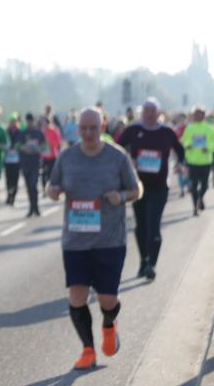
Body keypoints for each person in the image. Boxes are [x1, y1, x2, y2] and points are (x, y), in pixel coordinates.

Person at [46, 108, 142, 370]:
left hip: (109, 239)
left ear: (103, 127)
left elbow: (136, 189)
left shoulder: (117, 157)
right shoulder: (67, 157)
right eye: (84, 128)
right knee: (77, 297)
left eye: (93, 128)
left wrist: (121, 197)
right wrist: (53, 191)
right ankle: (87, 350)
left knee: (107, 300)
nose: (88, 133)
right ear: (77, 129)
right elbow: (51, 185)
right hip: (75, 240)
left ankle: (109, 324)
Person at [116, 98, 185, 281]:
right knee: (141, 226)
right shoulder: (133, 130)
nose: (149, 114)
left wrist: (179, 163)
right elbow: (116, 149)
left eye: (153, 111)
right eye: (146, 110)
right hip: (137, 187)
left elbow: (180, 150)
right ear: (142, 113)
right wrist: (127, 163)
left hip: (159, 187)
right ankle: (142, 260)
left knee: (153, 225)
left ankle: (151, 264)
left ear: (158, 113)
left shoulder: (166, 132)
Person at [180, 106, 214, 216]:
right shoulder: (189, 128)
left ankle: (200, 198)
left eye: (200, 114)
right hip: (192, 162)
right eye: (196, 114)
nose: (197, 116)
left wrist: (207, 147)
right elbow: (184, 140)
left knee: (205, 186)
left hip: (205, 162)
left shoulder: (210, 128)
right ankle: (195, 207)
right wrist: (188, 145)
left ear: (204, 115)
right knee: (193, 186)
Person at [15, 113, 47, 217]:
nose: (30, 122)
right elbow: (17, 145)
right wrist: (25, 148)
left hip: (35, 162)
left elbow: (45, 146)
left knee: (34, 184)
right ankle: (31, 207)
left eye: (31, 120)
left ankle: (36, 207)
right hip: (25, 162)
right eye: (28, 120)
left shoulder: (38, 133)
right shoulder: (22, 133)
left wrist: (38, 149)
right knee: (28, 186)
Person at [40, 114, 63, 193]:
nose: (43, 124)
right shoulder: (41, 131)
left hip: (52, 156)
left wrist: (51, 143)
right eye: (42, 122)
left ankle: (50, 189)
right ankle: (44, 190)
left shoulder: (53, 130)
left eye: (44, 122)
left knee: (50, 174)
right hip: (43, 156)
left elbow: (58, 142)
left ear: (47, 122)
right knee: (43, 174)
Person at [4, 114, 22, 205]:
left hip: (17, 160)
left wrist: (19, 147)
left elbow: (22, 144)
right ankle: (9, 194)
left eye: (14, 122)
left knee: (15, 179)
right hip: (7, 159)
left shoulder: (20, 132)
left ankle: (13, 196)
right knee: (8, 178)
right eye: (11, 122)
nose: (13, 124)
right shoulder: (6, 132)